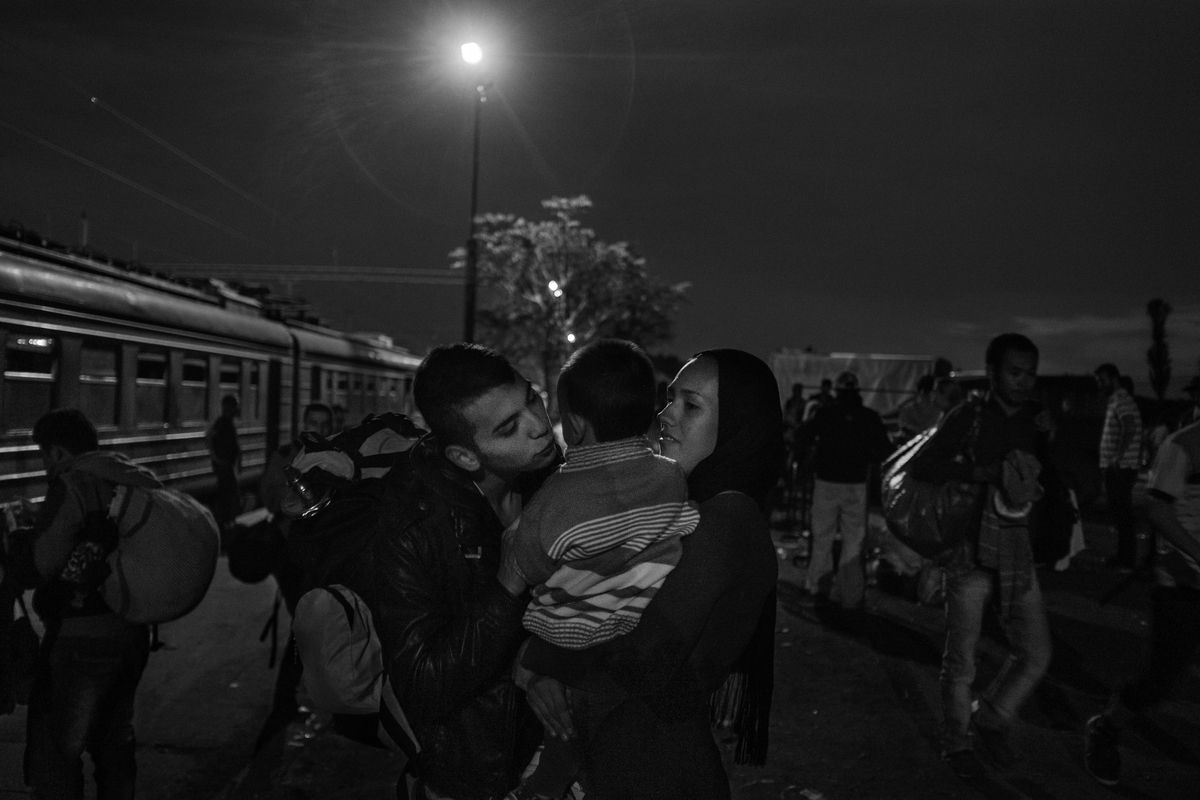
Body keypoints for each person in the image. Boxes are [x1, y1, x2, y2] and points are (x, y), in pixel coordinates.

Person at [517, 349, 784, 799]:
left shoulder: (721, 525)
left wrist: (538, 663)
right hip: (650, 760)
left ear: (738, 424)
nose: (665, 415)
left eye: (690, 406)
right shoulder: (712, 512)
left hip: (650, 769)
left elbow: (638, 661)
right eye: (669, 399)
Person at [500, 339, 700, 799]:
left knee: (561, 731)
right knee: (581, 729)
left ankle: (541, 791)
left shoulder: (554, 497)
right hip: (636, 634)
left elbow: (528, 564)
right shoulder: (670, 476)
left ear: (574, 423)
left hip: (566, 640)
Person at [368, 343, 560, 800]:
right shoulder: (413, 526)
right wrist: (508, 584)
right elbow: (425, 683)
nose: (538, 428)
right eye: (509, 428)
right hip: (471, 777)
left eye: (532, 399)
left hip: (551, 762)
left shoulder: (550, 480)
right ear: (465, 457)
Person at [911, 333, 1053, 780]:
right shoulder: (969, 414)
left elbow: (1049, 477)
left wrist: (1050, 440)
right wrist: (981, 472)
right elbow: (924, 465)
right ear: (991, 372)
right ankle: (956, 743)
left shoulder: (1037, 418)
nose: (1024, 381)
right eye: (1014, 372)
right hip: (969, 553)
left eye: (1030, 372)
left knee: (1036, 653)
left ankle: (991, 717)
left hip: (1016, 549)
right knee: (961, 662)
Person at [4, 409, 160, 799]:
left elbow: (47, 559)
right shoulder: (132, 478)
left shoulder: (74, 482)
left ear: (57, 452)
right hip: (132, 631)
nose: (43, 463)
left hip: (81, 639)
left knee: (58, 753)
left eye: (43, 453)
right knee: (114, 747)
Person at [1084, 416, 1200, 785]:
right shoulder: (1183, 446)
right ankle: (1105, 728)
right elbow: (1157, 509)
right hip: (1181, 583)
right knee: (1161, 679)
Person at [796, 371, 893, 609]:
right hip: (856, 485)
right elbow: (884, 451)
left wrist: (809, 460)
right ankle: (851, 597)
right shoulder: (869, 417)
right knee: (854, 541)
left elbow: (802, 435)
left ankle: (818, 588)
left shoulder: (825, 414)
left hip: (826, 483)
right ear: (856, 390)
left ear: (838, 390)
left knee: (822, 538)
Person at [1095, 363, 1144, 570]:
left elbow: (1130, 427)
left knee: (1123, 514)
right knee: (1121, 514)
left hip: (1120, 468)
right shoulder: (1116, 400)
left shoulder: (1121, 400)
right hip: (1120, 467)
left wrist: (1117, 458)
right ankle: (1123, 557)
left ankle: (1125, 560)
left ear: (1114, 379)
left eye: (1102, 380)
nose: (1099, 384)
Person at [206, 394, 242, 527]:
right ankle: (226, 524)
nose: (237, 409)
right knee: (229, 497)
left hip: (225, 467)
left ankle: (227, 522)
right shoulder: (223, 424)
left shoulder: (224, 424)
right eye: (235, 406)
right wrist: (220, 461)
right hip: (225, 468)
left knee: (228, 496)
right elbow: (213, 443)